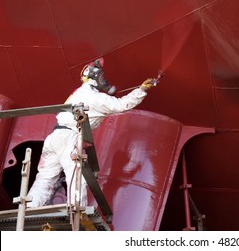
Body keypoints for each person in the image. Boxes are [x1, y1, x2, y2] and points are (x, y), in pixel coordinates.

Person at [27, 57, 155, 207]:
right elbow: (122, 105)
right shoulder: (95, 98)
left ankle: (29, 207)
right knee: (76, 175)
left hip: (54, 137)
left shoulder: (77, 94)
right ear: (97, 78)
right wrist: (142, 90)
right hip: (70, 137)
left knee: (45, 178)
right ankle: (77, 212)